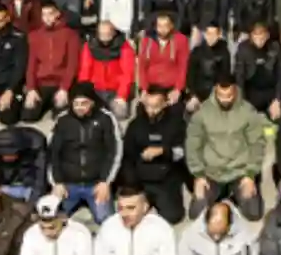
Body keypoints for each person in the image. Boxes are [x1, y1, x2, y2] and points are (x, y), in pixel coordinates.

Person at [186, 80, 267, 222]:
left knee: (254, 214)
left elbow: (257, 144)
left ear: (235, 91)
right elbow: (193, 144)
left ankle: (231, 194)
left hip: (239, 171)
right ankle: (224, 194)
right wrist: (199, 175)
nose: (225, 100)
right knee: (196, 215)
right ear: (215, 91)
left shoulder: (248, 111)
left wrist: (250, 174)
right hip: (212, 172)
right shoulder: (202, 112)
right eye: (221, 96)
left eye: (229, 96)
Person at [48, 84, 123, 225]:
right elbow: (52, 153)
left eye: (84, 103)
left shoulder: (106, 118)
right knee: (52, 219)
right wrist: (56, 183)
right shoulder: (62, 120)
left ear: (92, 102)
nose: (79, 108)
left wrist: (105, 182)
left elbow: (114, 151)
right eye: (75, 104)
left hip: (96, 184)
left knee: (107, 221)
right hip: (68, 184)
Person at [122, 84, 189, 223]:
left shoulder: (177, 124)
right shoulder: (135, 125)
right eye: (148, 106)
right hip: (141, 180)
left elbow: (183, 152)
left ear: (165, 104)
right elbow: (128, 156)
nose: (151, 111)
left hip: (166, 179)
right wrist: (132, 184)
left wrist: (163, 151)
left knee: (173, 217)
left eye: (156, 106)